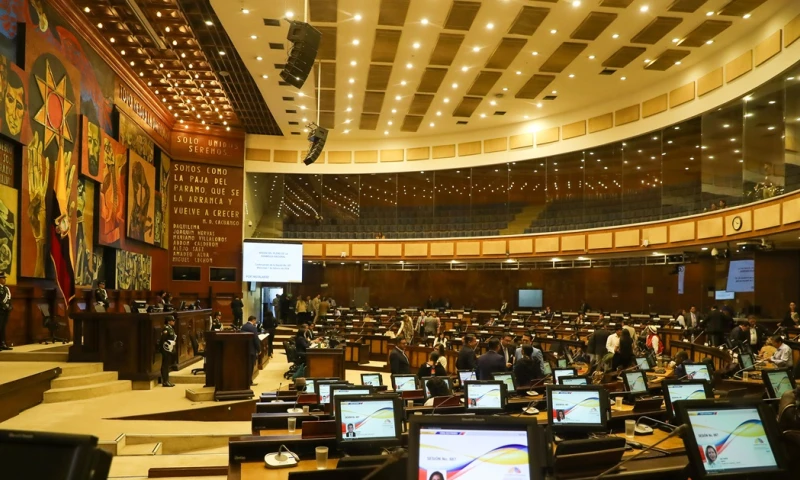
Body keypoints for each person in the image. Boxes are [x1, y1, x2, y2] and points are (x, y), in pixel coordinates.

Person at [241, 315, 261, 386]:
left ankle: (244, 381)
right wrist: (259, 349)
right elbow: (256, 339)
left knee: (245, 366)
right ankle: (249, 382)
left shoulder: (243, 326)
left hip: (244, 349)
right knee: (250, 367)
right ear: (253, 320)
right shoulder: (253, 328)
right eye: (255, 321)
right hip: (251, 350)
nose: (255, 322)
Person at [159, 316, 177, 387]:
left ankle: (167, 380)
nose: (174, 322)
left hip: (170, 348)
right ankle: (165, 381)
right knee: (165, 365)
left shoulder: (170, 328)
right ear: (169, 321)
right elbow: (163, 339)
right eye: (172, 320)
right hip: (166, 348)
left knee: (167, 365)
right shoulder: (166, 329)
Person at [0, 273, 11, 350]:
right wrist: (4, 306)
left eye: (5, 278)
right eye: (3, 278)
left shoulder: (6, 288)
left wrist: (10, 306)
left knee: (3, 327)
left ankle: (3, 343)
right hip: (0, 310)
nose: (5, 280)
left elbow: (9, 299)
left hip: (6, 311)